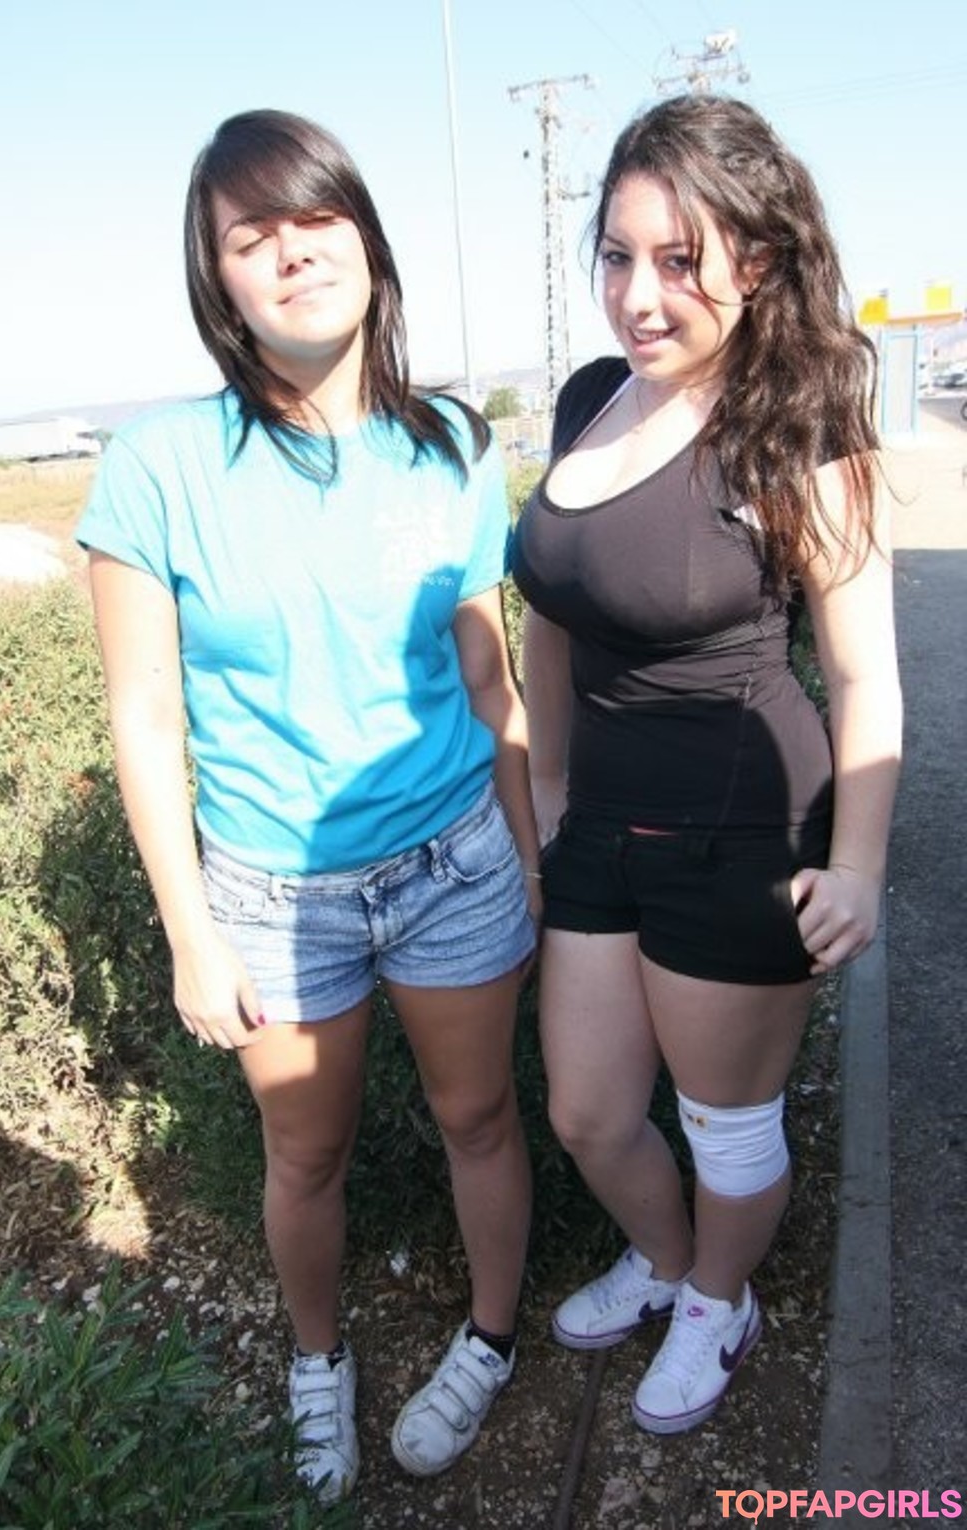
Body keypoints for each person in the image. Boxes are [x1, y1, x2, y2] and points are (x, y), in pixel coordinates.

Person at [77, 109, 541, 1501]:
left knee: (481, 1117)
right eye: (250, 236)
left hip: (456, 860)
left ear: (367, 241)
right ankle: (318, 1358)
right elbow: (145, 716)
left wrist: (530, 853)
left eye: (316, 217)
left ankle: (492, 1336)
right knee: (305, 1150)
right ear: (218, 281)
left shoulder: (453, 444)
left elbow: (488, 669)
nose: (291, 253)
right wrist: (188, 934)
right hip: (274, 897)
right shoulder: (158, 468)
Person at [510, 93, 902, 1435]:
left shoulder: (796, 418)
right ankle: (670, 1262)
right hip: (601, 826)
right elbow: (553, 609)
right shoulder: (586, 401)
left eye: (681, 260)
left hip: (741, 831)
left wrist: (858, 865)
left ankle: (720, 1301)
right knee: (588, 1111)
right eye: (619, 255)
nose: (639, 294)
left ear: (758, 256)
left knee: (724, 1122)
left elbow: (862, 672)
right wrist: (548, 791)